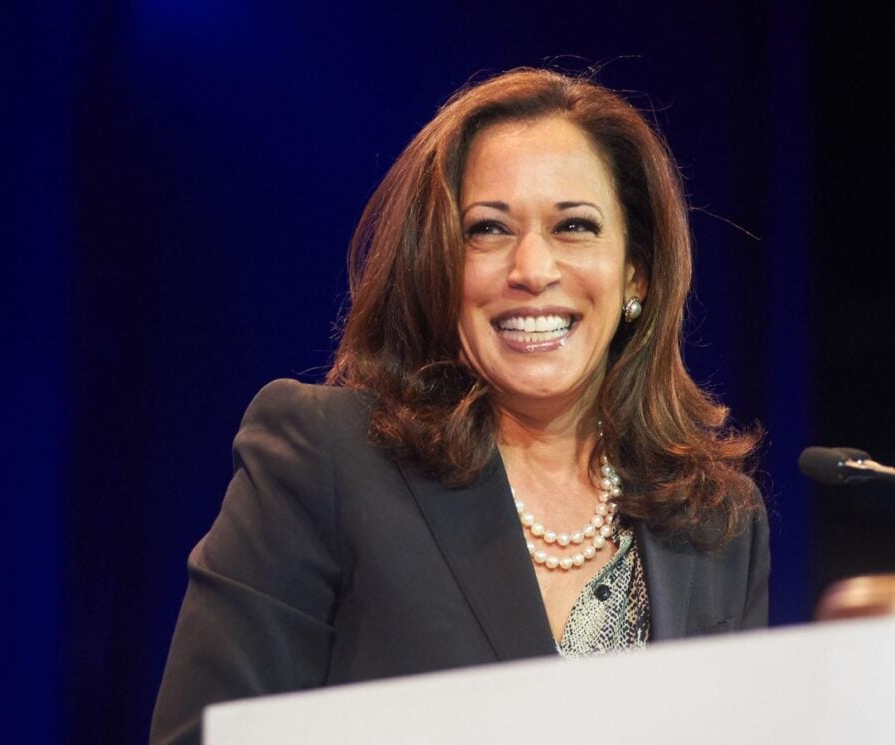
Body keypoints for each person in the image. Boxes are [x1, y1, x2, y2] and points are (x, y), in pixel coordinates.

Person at [150, 67, 769, 745]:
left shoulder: (716, 527)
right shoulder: (325, 457)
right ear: (438, 268)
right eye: (488, 230)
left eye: (574, 226)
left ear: (637, 276)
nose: (532, 268)